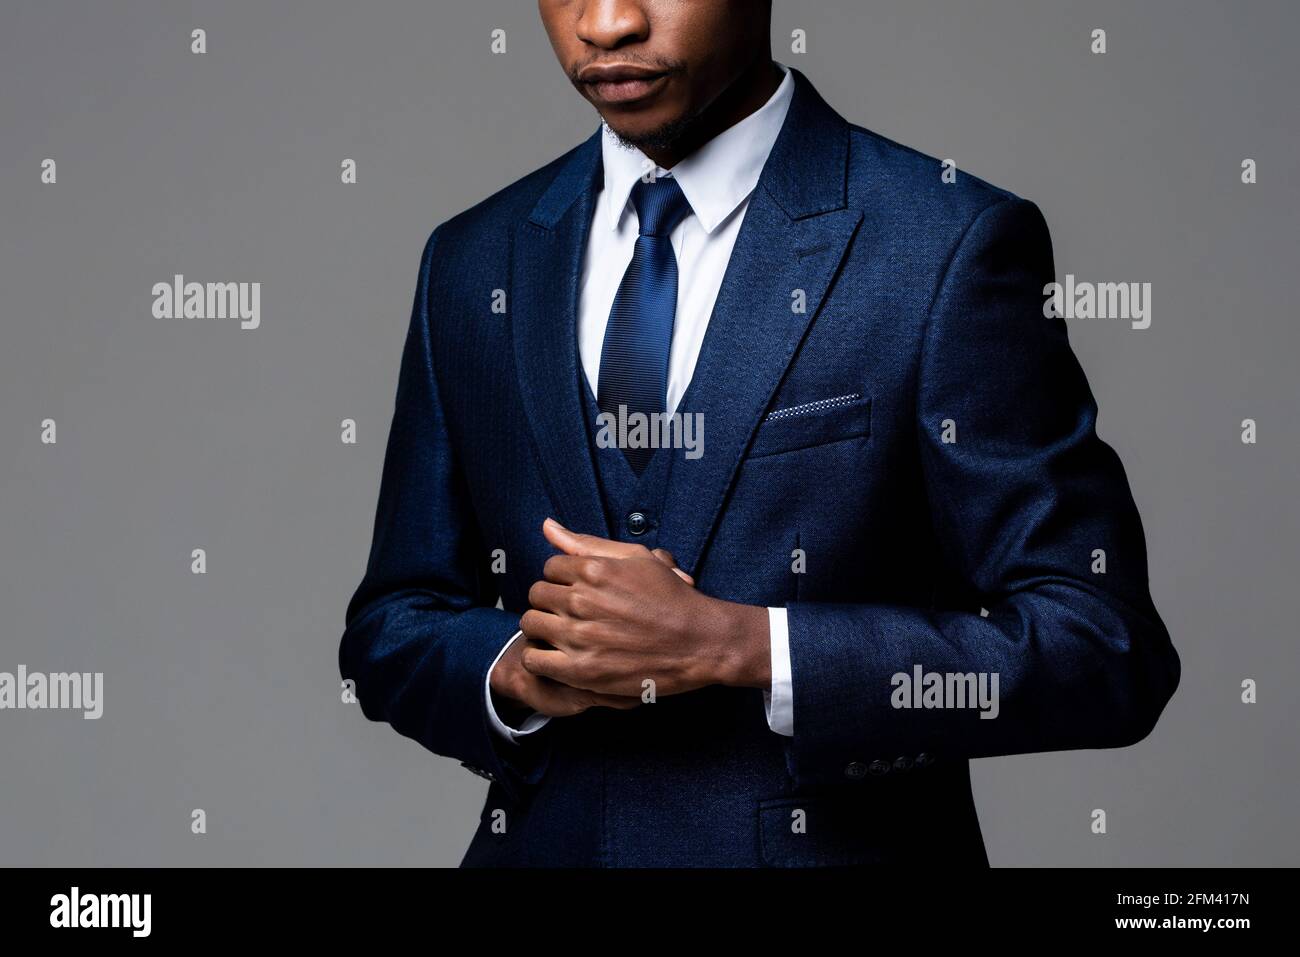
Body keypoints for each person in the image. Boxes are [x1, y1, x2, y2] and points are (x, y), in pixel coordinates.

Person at [339, 0, 1180, 867]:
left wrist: (744, 645)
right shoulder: (474, 260)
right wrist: (513, 666)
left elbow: (1103, 648)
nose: (607, 22)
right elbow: (392, 623)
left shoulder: (944, 243)